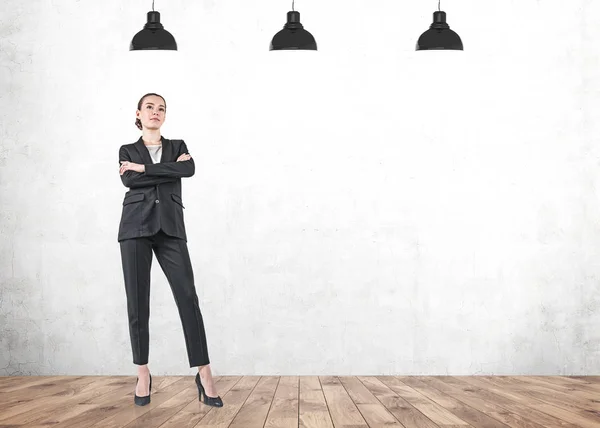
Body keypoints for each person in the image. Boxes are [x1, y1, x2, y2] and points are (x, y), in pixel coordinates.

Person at [117, 93, 223, 408]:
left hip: (171, 228)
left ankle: (204, 373)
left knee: (188, 298)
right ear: (138, 113)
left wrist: (144, 169)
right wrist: (160, 169)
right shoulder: (127, 150)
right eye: (149, 106)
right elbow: (129, 181)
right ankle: (142, 373)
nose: (156, 111)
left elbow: (188, 171)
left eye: (161, 108)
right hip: (135, 227)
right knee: (138, 303)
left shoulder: (178, 145)